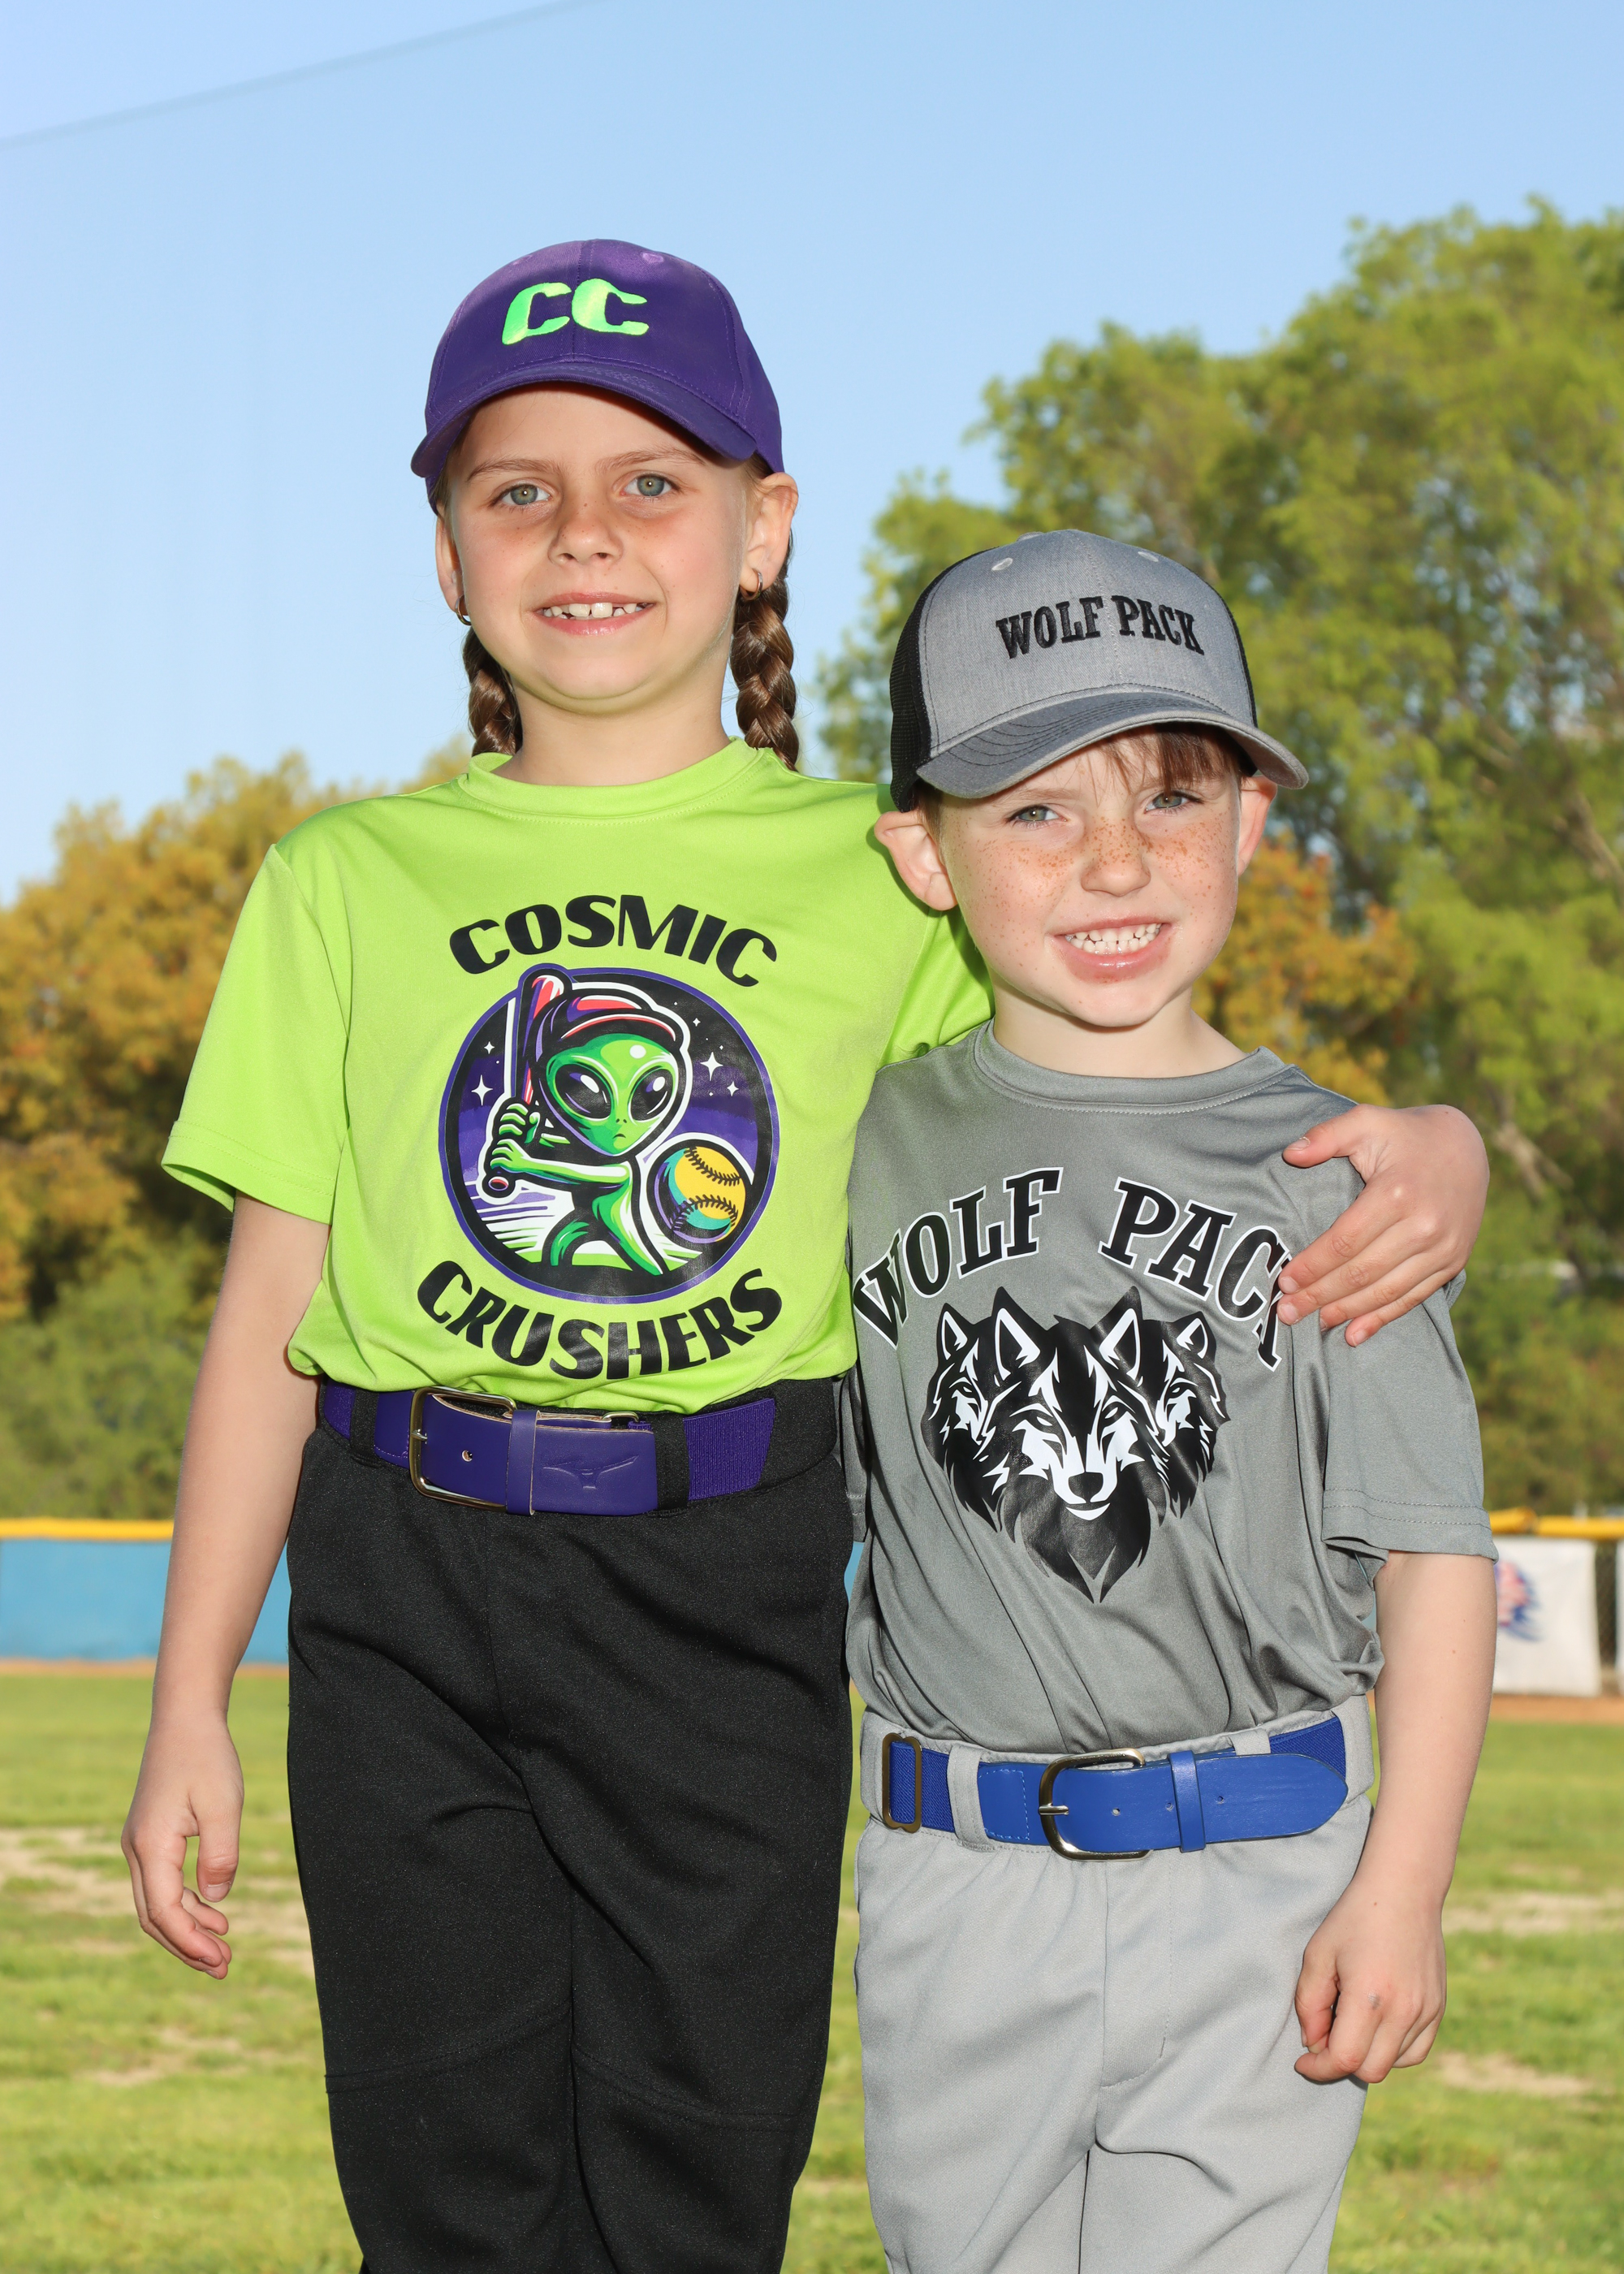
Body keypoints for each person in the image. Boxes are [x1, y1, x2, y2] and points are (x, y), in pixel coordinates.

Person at [119, 246, 1490, 2274]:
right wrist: (187, 1699)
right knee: (440, 2183)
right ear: (446, 551)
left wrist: (1439, 1140)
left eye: (653, 482)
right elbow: (269, 1320)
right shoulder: (343, 880)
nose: (585, 532)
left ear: (762, 529)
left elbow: (1129, 1064)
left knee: (694, 2175)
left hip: (731, 1578)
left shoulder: (892, 870)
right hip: (401, 1570)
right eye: (518, 489)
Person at [844, 528, 1498, 2274]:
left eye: (1173, 794)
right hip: (955, 1877)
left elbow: (1435, 1556)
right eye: (1034, 809)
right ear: (922, 852)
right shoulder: (866, 1139)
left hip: (1262, 1876)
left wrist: (1404, 1886)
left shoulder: (1341, 1174)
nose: (1116, 860)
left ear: (1254, 821)